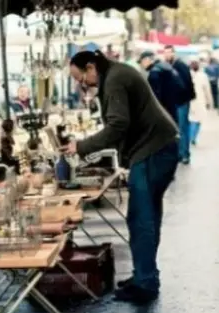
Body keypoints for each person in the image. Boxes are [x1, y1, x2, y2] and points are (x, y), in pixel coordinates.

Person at [62, 50, 179, 304]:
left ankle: (146, 282)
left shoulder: (114, 79)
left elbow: (117, 125)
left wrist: (81, 147)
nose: (82, 84)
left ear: (91, 67)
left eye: (80, 77)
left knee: (141, 218)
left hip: (153, 151)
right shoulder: (115, 74)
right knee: (145, 216)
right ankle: (144, 276)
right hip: (159, 148)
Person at [163, 45, 196, 164]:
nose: (167, 55)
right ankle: (179, 154)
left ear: (173, 53)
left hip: (181, 102)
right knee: (176, 129)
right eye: (165, 53)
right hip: (174, 102)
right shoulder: (168, 66)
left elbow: (187, 84)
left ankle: (185, 154)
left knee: (182, 128)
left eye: (169, 53)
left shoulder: (180, 66)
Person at [138, 50, 185, 122]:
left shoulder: (154, 73)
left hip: (165, 111)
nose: (141, 65)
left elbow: (155, 97)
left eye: (141, 62)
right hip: (173, 107)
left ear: (147, 59)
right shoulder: (164, 66)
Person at [189, 58, 213, 145]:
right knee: (198, 120)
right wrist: (210, 102)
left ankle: (190, 137)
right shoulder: (203, 76)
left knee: (191, 120)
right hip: (200, 101)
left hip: (190, 101)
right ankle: (193, 137)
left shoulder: (187, 75)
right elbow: (207, 90)